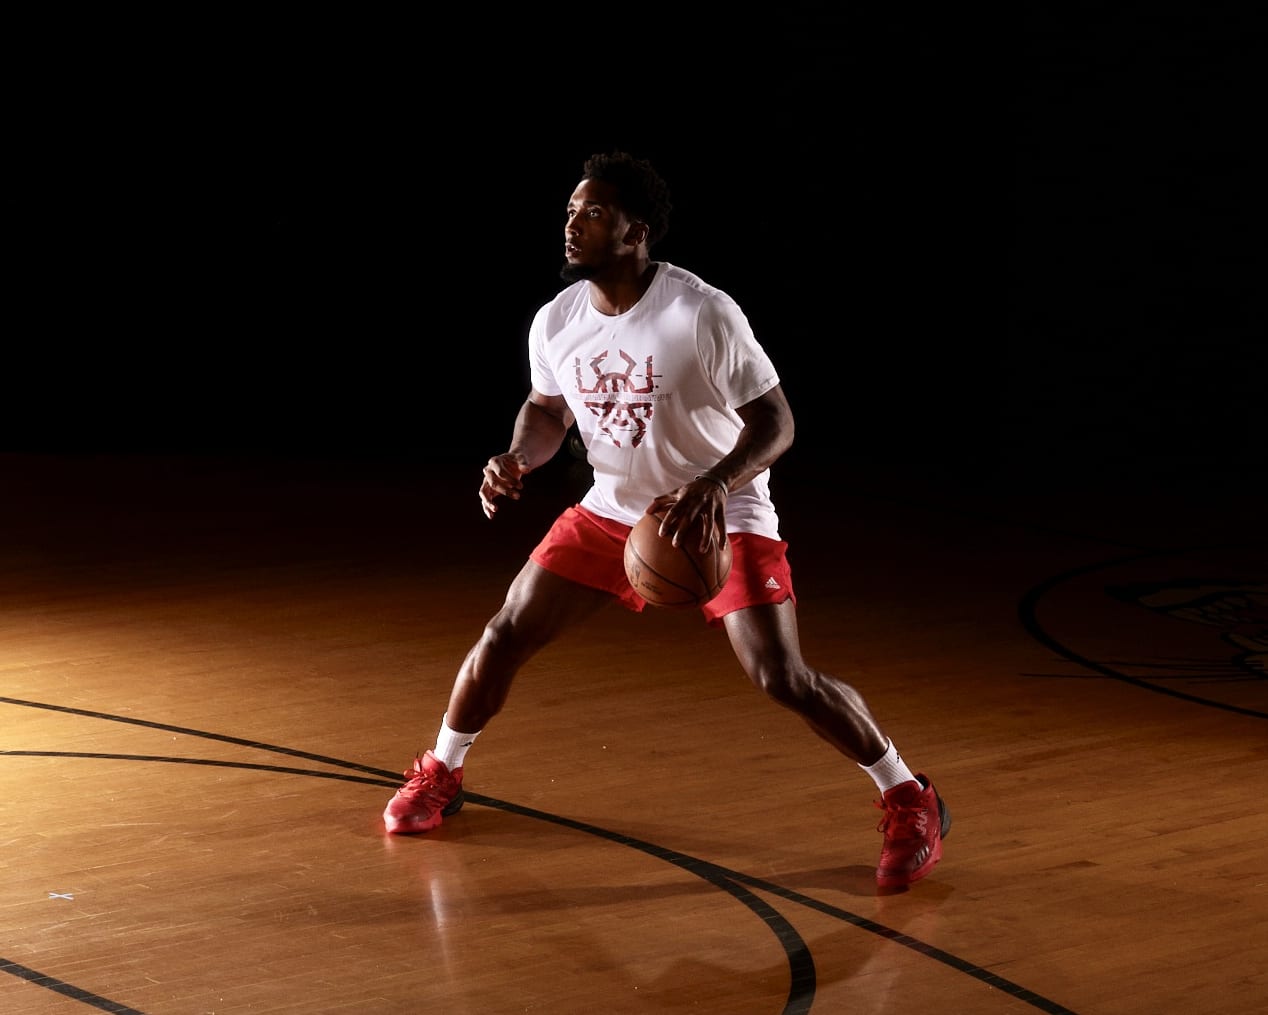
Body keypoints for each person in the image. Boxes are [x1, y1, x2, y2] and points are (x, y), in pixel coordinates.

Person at [383, 151, 950, 887]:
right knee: (504, 632)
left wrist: (715, 484)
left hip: (720, 508)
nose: (572, 226)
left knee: (781, 675)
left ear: (636, 232)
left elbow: (777, 424)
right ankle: (441, 772)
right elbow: (547, 409)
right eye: (568, 212)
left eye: (592, 213)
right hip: (613, 506)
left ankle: (912, 797)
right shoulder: (555, 321)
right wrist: (518, 457)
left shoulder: (700, 312)